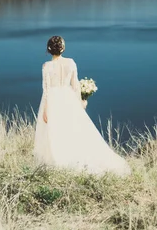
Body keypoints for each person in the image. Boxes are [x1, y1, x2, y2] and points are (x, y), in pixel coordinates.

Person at [33, 36, 131, 176]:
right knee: (72, 128)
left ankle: (58, 159)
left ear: (48, 50)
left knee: (55, 131)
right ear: (63, 48)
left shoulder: (46, 66)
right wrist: (79, 103)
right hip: (68, 99)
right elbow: (76, 85)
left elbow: (46, 90)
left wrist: (45, 110)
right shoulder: (71, 63)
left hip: (54, 101)